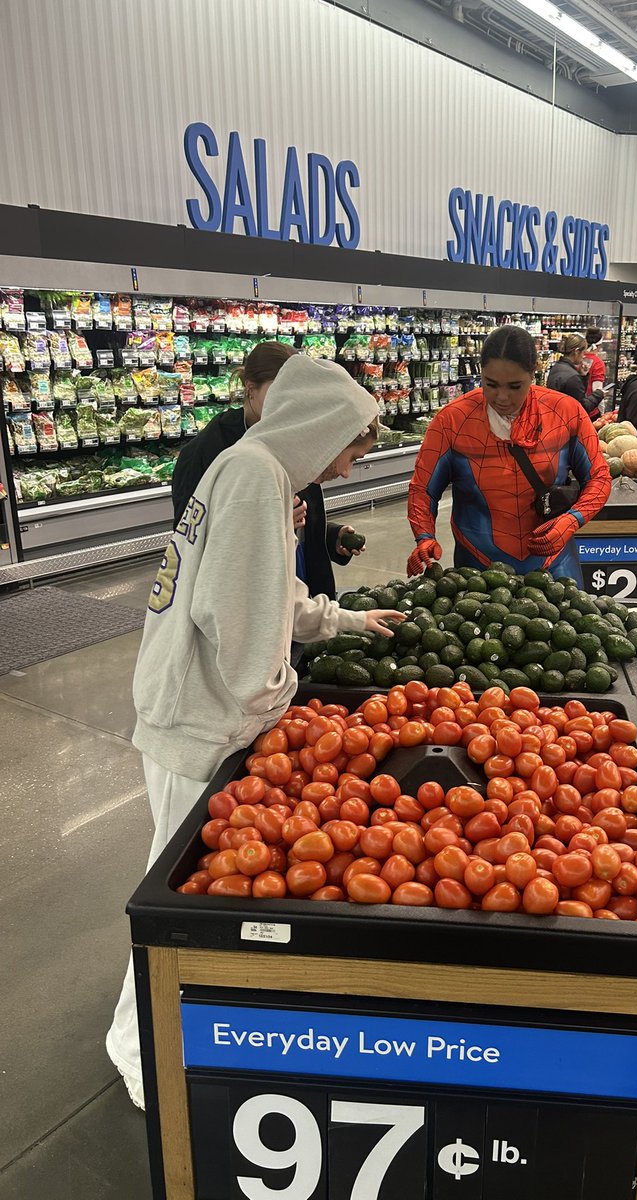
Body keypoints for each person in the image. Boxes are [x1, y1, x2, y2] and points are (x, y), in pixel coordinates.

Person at [106, 354, 403, 1109]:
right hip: (195, 720)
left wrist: (344, 620)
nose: (346, 467)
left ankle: (154, 1035)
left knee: (180, 890)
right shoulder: (253, 478)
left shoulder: (262, 471)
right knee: (174, 905)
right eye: (350, 448)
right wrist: (282, 701)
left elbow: (270, 593)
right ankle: (143, 1054)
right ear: (320, 427)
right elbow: (233, 625)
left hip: (201, 709)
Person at [407, 325, 611, 580]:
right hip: (477, 569)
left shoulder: (566, 412)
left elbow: (599, 478)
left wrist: (572, 520)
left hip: (555, 563)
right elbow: (422, 489)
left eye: (515, 386)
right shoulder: (451, 420)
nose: (501, 397)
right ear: (480, 373)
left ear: (534, 371)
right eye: (490, 384)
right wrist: (424, 536)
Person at [172, 340, 364, 600]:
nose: (288, 405)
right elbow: (192, 542)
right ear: (251, 389)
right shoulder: (206, 453)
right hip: (245, 604)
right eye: (278, 394)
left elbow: (301, 519)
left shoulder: (296, 438)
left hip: (299, 598)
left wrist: (330, 537)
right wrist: (271, 523)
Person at [547, 333, 596, 418]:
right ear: (576, 351)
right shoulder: (572, 377)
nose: (583, 356)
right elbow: (582, 408)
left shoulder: (557, 367)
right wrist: (599, 394)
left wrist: (583, 376)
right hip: (567, 422)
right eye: (583, 352)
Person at [583, 327, 607, 400]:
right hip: (590, 406)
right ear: (599, 345)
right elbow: (597, 389)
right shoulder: (598, 363)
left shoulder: (578, 357)